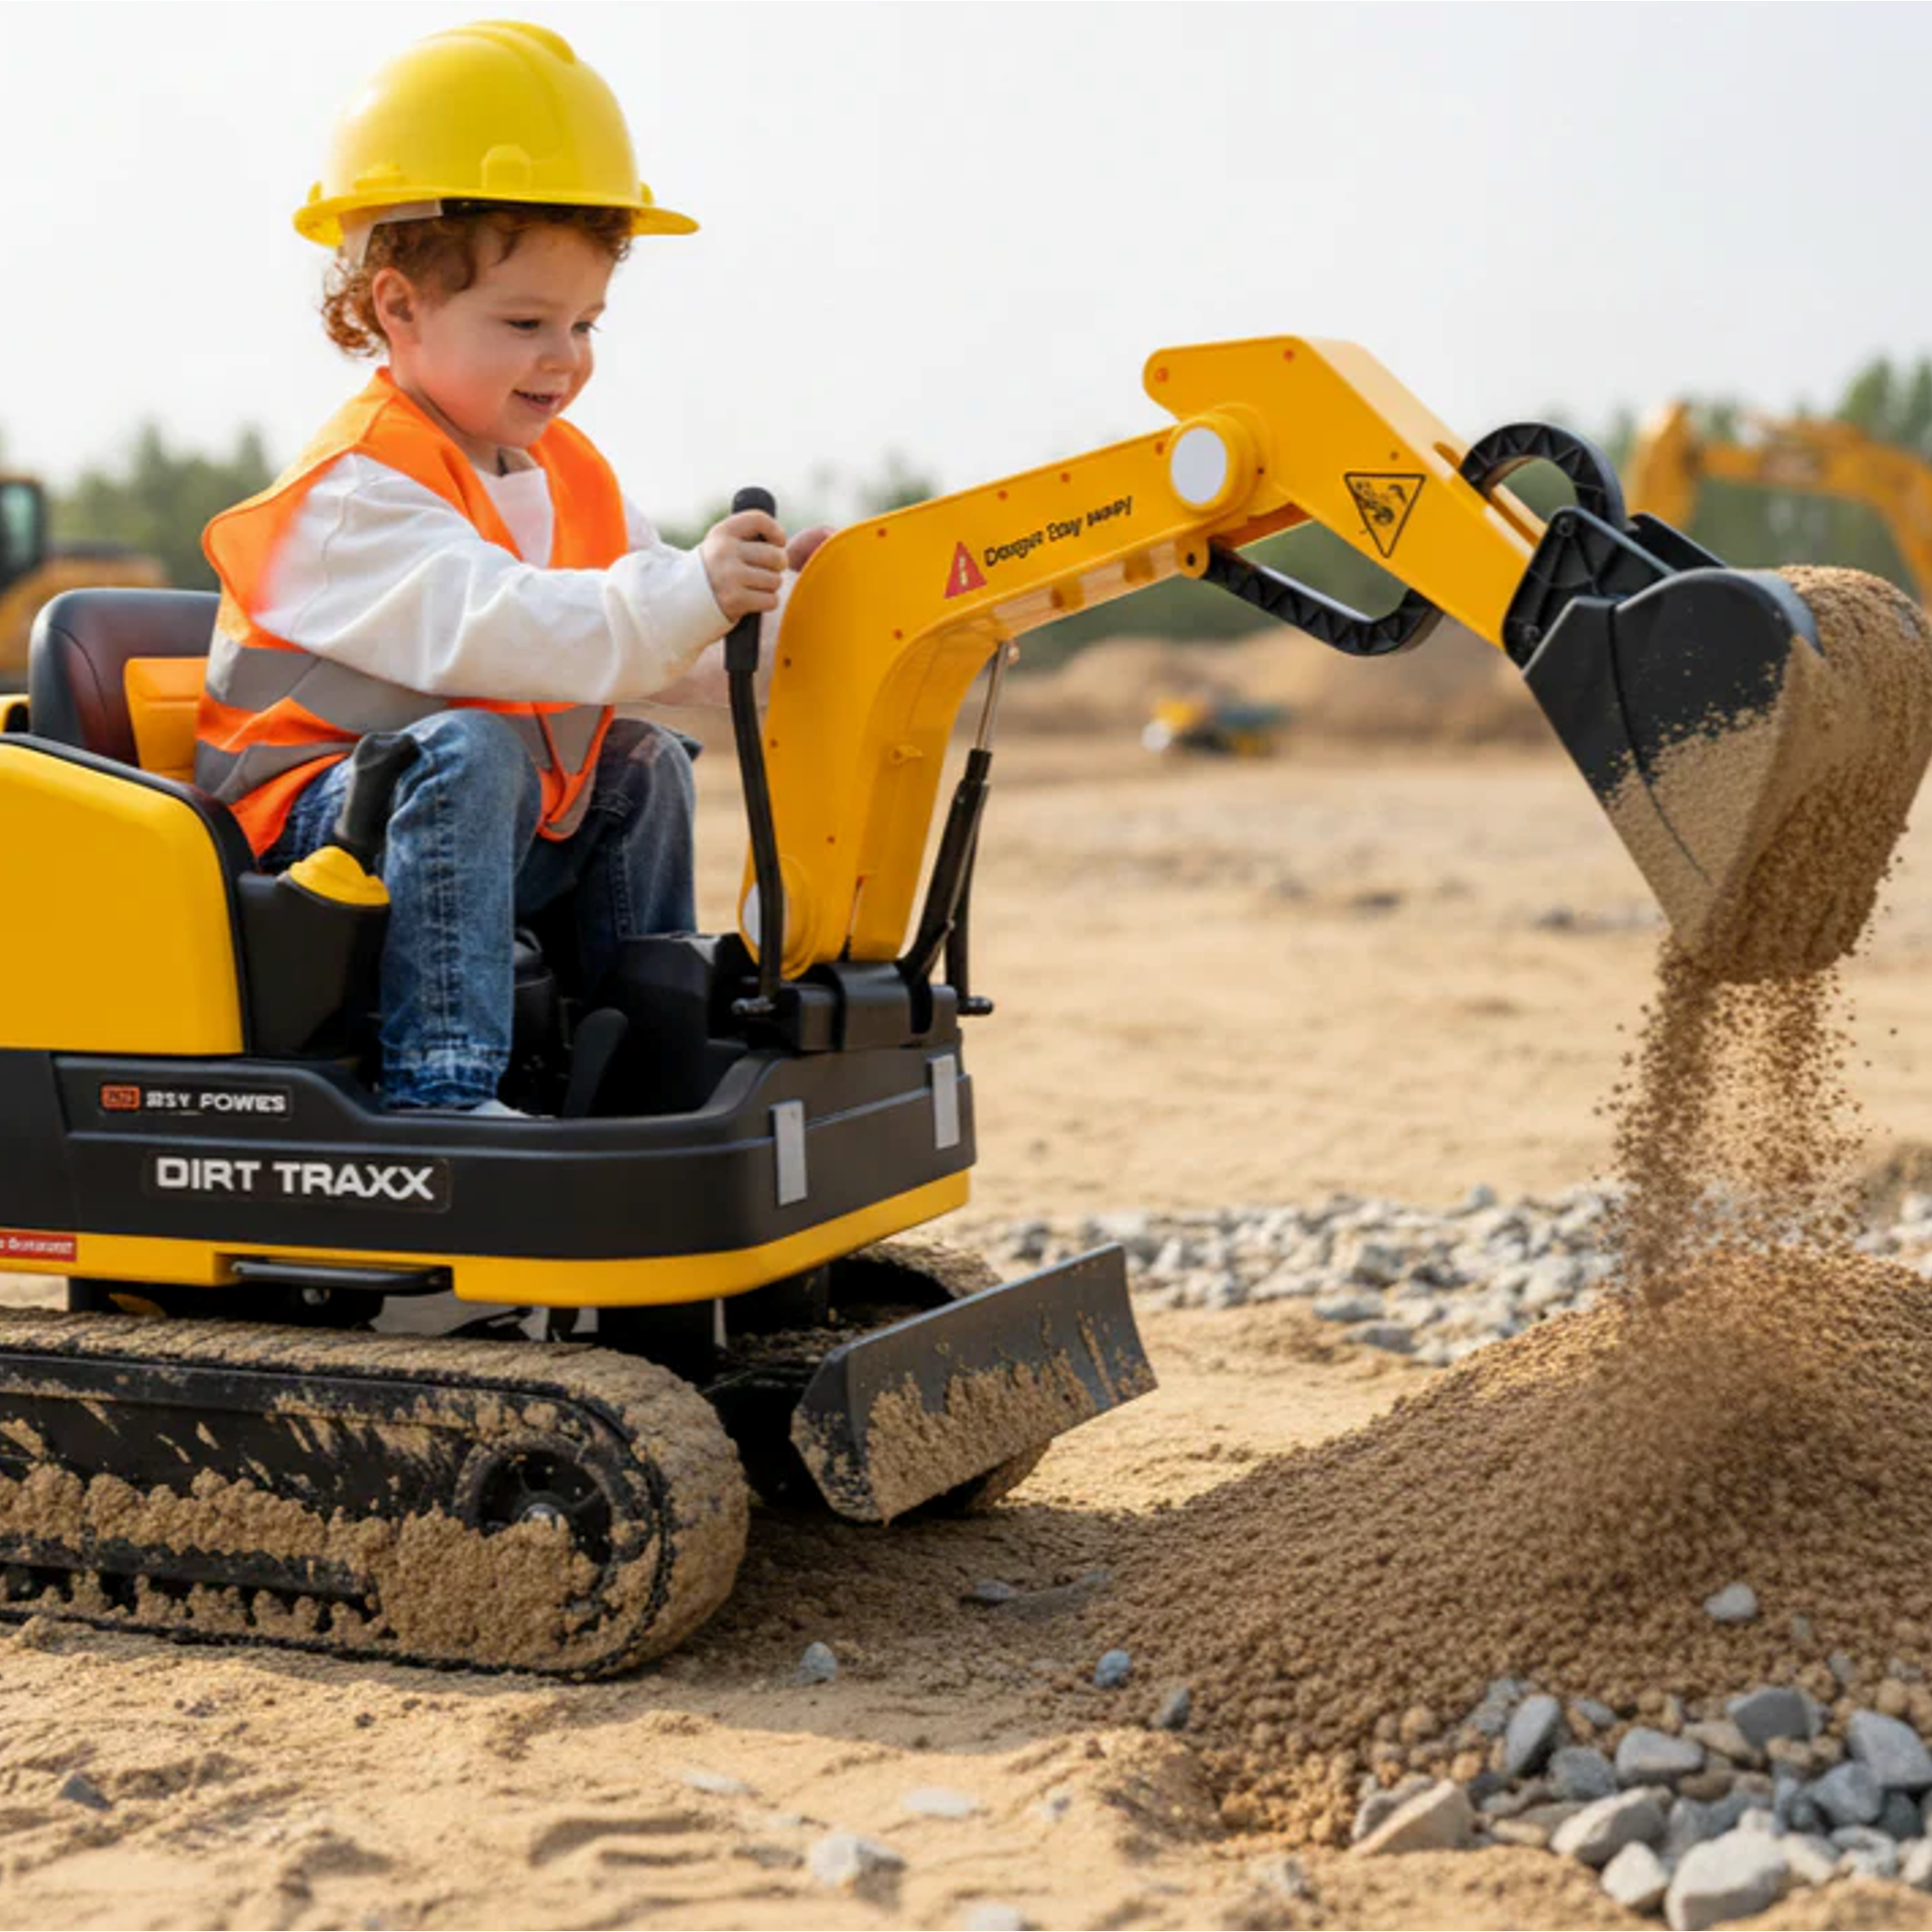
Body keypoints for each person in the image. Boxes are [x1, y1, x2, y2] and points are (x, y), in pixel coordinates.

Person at [194, 19, 826, 1116]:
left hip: (460, 836)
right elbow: (507, 624)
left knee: (640, 759)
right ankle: (445, 1088)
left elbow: (659, 647)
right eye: (526, 320)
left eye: (585, 321)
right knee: (472, 747)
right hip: (310, 846)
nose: (565, 356)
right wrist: (688, 592)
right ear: (397, 305)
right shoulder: (354, 490)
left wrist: (780, 623)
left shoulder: (560, 470)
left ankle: (642, 1055)